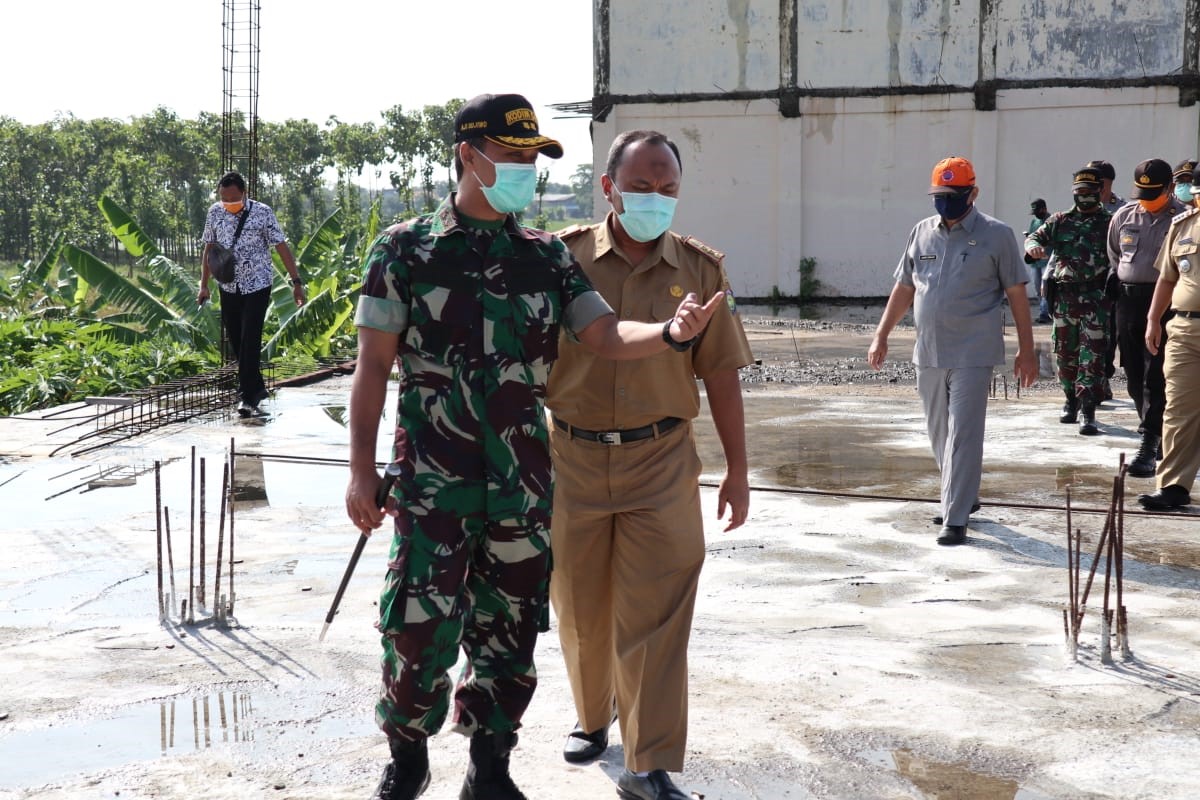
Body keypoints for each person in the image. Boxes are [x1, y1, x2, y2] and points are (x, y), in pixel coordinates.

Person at [343, 93, 724, 800]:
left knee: (510, 633)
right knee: (418, 631)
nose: (525, 171)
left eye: (532, 160)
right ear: (468, 155)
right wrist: (362, 472)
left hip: (522, 486)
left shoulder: (543, 256)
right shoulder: (405, 248)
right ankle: (407, 757)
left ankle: (490, 767)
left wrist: (670, 335)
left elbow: (605, 335)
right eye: (513, 157)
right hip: (433, 483)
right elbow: (371, 368)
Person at [545, 130, 754, 800]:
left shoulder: (699, 271)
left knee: (657, 616)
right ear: (608, 188)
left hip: (661, 461)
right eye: (641, 187)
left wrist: (738, 470)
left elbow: (720, 375)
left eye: (668, 190)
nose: (655, 200)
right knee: (580, 607)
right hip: (571, 457)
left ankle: (647, 760)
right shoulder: (561, 261)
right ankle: (591, 714)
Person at [869, 156, 1037, 546]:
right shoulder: (921, 232)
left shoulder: (998, 235)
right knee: (939, 433)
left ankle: (955, 516)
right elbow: (905, 287)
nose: (945, 202)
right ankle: (962, 495)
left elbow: (1017, 294)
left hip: (974, 352)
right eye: (939, 195)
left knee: (963, 434)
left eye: (953, 195)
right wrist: (881, 334)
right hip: (928, 350)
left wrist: (1026, 350)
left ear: (972, 193)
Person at [1105, 158, 1188, 477]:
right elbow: (1115, 253)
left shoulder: (1182, 218)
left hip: (1166, 301)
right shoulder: (1124, 216)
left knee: (1157, 375)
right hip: (1128, 301)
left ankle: (1149, 443)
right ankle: (1157, 432)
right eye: (1142, 192)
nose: (1147, 199)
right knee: (1134, 372)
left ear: (1169, 189)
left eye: (1154, 193)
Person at [198, 171, 306, 416]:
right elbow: (209, 249)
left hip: (257, 284)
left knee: (250, 337)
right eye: (225, 199)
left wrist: (296, 281)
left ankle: (247, 397)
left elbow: (280, 245)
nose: (229, 203)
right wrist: (203, 285)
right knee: (237, 340)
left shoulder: (262, 212)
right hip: (228, 285)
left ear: (244, 193)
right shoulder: (215, 212)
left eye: (234, 198)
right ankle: (256, 388)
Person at [1026, 167, 1113, 435]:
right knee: (1065, 354)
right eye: (1080, 193)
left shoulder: (1110, 222)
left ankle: (1088, 410)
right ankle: (1070, 401)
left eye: (1089, 193)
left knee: (1092, 356)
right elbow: (1033, 238)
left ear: (1099, 192)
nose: (1084, 198)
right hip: (1065, 298)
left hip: (1096, 300)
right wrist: (1034, 248)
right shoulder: (1060, 220)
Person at [1140, 163, 1200, 510]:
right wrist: (1153, 319)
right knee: (1178, 409)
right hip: (1185, 330)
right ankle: (1174, 486)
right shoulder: (1183, 226)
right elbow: (1167, 277)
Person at [1025, 199, 1052, 323]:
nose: (1036, 214)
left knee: (1044, 287)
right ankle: (1044, 309)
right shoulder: (1034, 222)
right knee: (1037, 287)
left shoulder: (1052, 221)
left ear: (1044, 209)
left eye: (1037, 211)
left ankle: (1044, 313)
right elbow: (1031, 237)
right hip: (1035, 261)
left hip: (1046, 261)